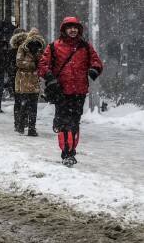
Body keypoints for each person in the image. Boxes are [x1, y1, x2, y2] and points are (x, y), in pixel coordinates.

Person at [38, 17, 103, 167]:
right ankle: (67, 153)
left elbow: (96, 61)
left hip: (79, 92)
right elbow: (42, 65)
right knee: (65, 123)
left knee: (74, 123)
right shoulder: (54, 47)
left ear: (79, 30)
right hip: (61, 91)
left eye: (75, 28)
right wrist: (49, 77)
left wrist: (94, 69)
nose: (73, 30)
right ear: (64, 30)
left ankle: (71, 150)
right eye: (70, 27)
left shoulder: (85, 47)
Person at [15, 28, 45, 136]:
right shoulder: (22, 48)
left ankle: (31, 128)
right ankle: (21, 125)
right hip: (24, 79)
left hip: (34, 80)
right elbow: (19, 62)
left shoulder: (40, 49)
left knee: (33, 106)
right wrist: (31, 64)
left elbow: (42, 63)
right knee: (25, 104)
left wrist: (37, 54)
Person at [8, 28, 28, 132]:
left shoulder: (27, 49)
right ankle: (20, 122)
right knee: (21, 100)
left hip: (21, 77)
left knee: (21, 100)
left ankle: (20, 122)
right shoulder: (23, 49)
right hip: (19, 78)